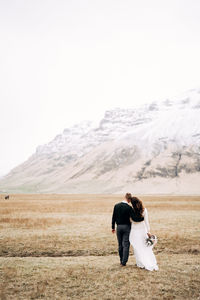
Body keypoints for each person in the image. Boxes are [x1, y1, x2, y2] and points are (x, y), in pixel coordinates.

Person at [112, 193, 144, 266]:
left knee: (120, 245)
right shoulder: (129, 208)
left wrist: (113, 227)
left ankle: (121, 260)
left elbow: (113, 217)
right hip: (127, 227)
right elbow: (134, 218)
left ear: (125, 197)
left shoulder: (116, 206)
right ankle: (124, 262)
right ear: (129, 199)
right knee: (126, 245)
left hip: (119, 227)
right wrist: (142, 218)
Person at [129, 196, 158, 271]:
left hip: (135, 230)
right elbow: (146, 222)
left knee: (137, 247)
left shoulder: (131, 210)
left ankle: (140, 263)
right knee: (144, 246)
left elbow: (131, 221)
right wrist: (148, 231)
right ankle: (145, 262)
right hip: (143, 230)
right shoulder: (144, 210)